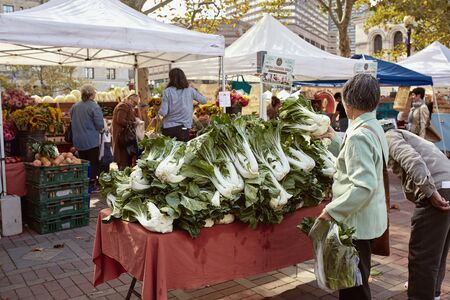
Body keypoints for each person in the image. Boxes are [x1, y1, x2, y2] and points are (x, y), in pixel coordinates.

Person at [318, 74, 388, 299]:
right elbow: (357, 161)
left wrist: (333, 211)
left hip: (356, 223)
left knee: (353, 287)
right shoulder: (373, 127)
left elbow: (364, 187)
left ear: (347, 103)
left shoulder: (359, 135)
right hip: (368, 220)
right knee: (356, 280)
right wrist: (335, 139)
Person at [385, 128, 450, 300]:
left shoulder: (390, 136)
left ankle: (421, 294)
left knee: (422, 254)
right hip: (446, 185)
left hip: (438, 189)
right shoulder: (415, 139)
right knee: (437, 250)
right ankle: (432, 293)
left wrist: (430, 191)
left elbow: (411, 159)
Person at [70, 84, 104, 191]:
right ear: (91, 94)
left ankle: (83, 183)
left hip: (78, 140)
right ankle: (92, 184)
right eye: (94, 92)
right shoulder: (94, 106)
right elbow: (100, 125)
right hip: (91, 140)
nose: (95, 94)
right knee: (93, 162)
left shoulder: (75, 106)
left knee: (82, 162)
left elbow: (71, 119)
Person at [158, 68, 207, 142]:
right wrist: (196, 91)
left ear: (171, 78)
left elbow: (163, 112)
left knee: (169, 152)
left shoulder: (167, 91)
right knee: (182, 152)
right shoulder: (190, 90)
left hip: (168, 128)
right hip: (183, 128)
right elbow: (204, 101)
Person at [112, 94, 139, 170]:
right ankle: (123, 173)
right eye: (134, 103)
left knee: (125, 158)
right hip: (122, 137)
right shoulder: (123, 106)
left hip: (123, 137)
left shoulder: (126, 106)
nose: (135, 105)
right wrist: (133, 123)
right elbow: (120, 120)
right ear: (129, 99)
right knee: (123, 158)